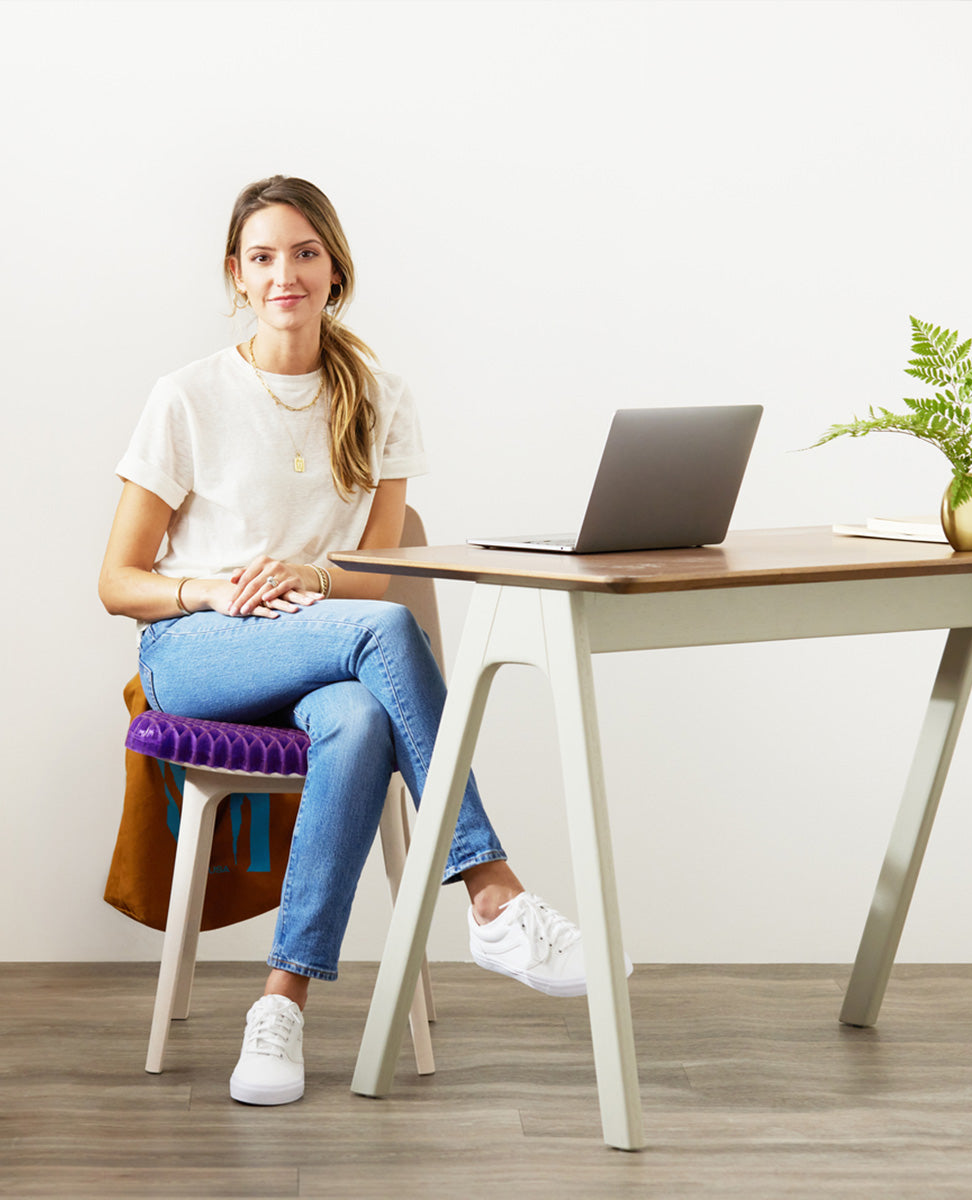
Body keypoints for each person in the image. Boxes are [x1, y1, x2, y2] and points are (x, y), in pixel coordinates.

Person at [99, 175, 626, 1107]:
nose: (284, 274)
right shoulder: (187, 397)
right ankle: (494, 892)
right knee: (381, 634)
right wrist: (209, 589)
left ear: (335, 268)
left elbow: (376, 577)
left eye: (304, 253)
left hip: (324, 646)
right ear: (236, 275)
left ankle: (282, 1005)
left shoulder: (378, 395)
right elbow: (117, 583)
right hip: (198, 651)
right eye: (263, 257)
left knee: (356, 721)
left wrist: (309, 579)